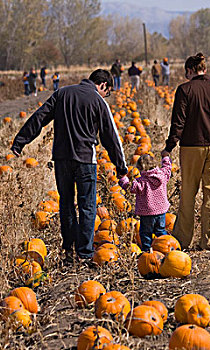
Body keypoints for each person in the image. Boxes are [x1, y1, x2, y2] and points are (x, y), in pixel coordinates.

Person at [11, 69, 127, 264]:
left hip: (62, 159)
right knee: (87, 206)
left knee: (66, 203)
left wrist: (20, 142)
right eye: (108, 91)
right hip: (85, 160)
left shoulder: (62, 93)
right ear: (103, 85)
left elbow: (39, 117)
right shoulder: (98, 101)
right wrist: (121, 168)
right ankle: (85, 252)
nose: (107, 95)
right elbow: (111, 137)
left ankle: (68, 250)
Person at [161, 53, 210, 251]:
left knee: (188, 193)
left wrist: (169, 147)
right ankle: (208, 242)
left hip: (191, 147)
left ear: (189, 71)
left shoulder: (185, 90)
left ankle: (182, 240)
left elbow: (178, 123)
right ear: (205, 69)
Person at [119, 154, 171, 252]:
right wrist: (165, 158)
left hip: (147, 213)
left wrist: (123, 178)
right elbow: (167, 168)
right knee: (160, 231)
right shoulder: (162, 175)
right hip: (161, 211)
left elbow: (129, 187)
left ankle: (147, 250)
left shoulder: (141, 182)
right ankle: (165, 247)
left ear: (140, 168)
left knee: (146, 232)